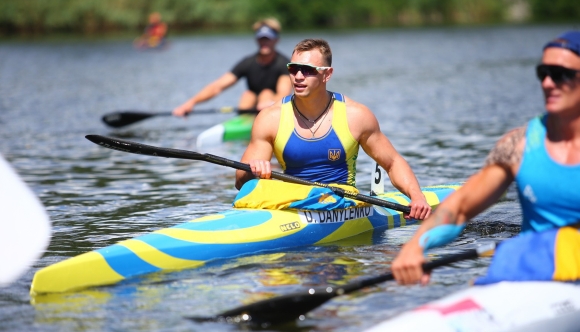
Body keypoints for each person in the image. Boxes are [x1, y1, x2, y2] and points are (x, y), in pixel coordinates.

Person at [392, 30, 580, 285]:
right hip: (536, 276)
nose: (547, 83)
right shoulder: (518, 145)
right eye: (542, 73)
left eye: (560, 75)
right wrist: (416, 245)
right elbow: (459, 209)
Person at [234, 38, 431, 220]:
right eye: (293, 69)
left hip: (338, 199)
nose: (298, 76)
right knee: (251, 189)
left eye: (308, 70)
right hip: (290, 199)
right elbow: (241, 182)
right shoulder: (270, 118)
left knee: (326, 196)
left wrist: (417, 197)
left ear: (327, 73)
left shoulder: (356, 116)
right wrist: (254, 170)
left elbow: (393, 162)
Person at [173, 18, 292, 116]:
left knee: (266, 93)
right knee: (247, 95)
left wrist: (270, 102)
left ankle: (262, 123)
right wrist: (191, 103)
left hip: (273, 108)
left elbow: (283, 93)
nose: (264, 42)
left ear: (276, 40)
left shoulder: (283, 63)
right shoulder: (248, 62)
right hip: (252, 106)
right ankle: (246, 124)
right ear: (256, 40)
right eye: (261, 39)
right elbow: (217, 86)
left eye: (268, 39)